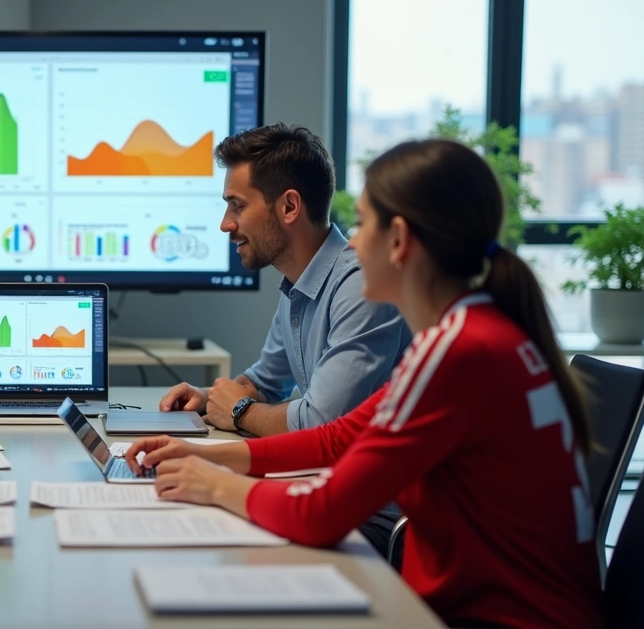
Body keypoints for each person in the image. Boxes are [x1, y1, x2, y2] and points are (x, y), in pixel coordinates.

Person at [126, 138, 604, 627]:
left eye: (365, 222)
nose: (351, 243)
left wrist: (215, 486)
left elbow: (322, 511)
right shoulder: (471, 335)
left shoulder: (460, 351)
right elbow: (340, 437)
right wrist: (207, 455)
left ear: (398, 240)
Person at [159, 123, 412, 554]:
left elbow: (322, 425)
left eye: (236, 206)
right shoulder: (299, 281)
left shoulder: (361, 286)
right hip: (320, 491)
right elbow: (265, 381)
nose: (225, 224)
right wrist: (211, 398)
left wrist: (237, 411)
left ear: (289, 206)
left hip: (370, 527)